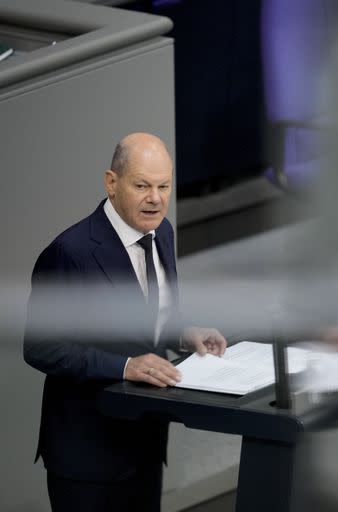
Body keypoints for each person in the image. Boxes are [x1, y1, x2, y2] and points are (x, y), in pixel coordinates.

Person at [23, 133, 227, 512]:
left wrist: (183, 333)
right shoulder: (70, 253)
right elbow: (41, 348)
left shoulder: (162, 232)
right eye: (143, 186)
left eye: (164, 186)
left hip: (145, 439)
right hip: (88, 455)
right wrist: (126, 366)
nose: (156, 198)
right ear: (111, 183)